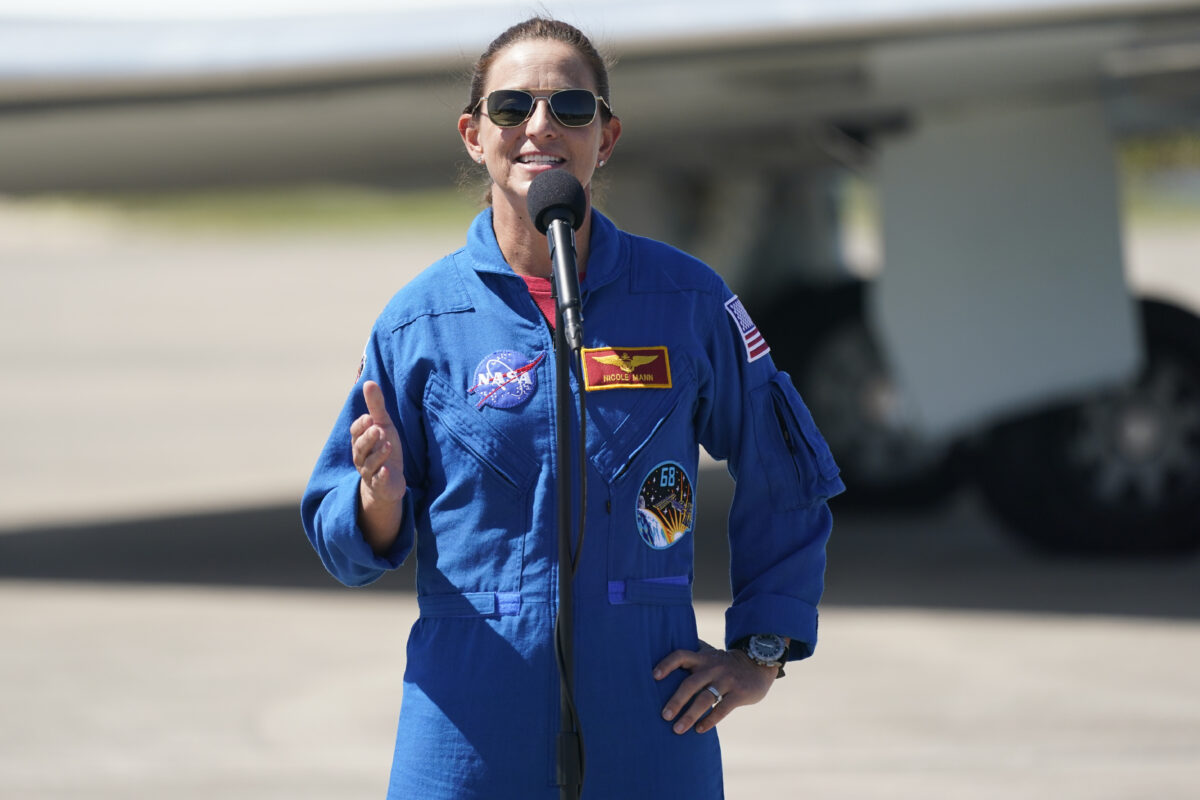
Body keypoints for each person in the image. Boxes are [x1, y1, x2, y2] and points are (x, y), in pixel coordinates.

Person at [301, 16, 844, 800]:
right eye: (511, 107)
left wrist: (760, 650)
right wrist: (376, 500)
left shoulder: (687, 301)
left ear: (608, 135)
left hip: (651, 718)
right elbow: (344, 543)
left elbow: (785, 468)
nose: (540, 128)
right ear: (472, 134)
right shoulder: (420, 323)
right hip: (468, 726)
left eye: (572, 108)